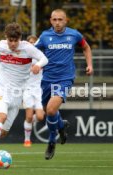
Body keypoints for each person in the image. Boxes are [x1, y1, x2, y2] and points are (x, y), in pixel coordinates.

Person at [0, 22, 48, 163]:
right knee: (1, 117)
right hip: (1, 88)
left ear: (20, 38)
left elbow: (45, 58)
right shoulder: (2, 44)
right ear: (6, 37)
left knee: (2, 132)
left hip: (17, 94)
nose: (13, 44)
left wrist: (38, 65)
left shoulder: (27, 48)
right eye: (10, 40)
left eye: (16, 40)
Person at [35, 9, 93, 160]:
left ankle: (51, 141)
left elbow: (86, 47)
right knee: (48, 112)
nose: (57, 23)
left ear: (66, 20)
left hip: (64, 79)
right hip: (46, 79)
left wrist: (89, 65)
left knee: (51, 109)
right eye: (54, 20)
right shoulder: (45, 36)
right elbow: (32, 52)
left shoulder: (74, 35)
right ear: (50, 21)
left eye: (60, 20)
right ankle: (61, 126)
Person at [22, 35, 45, 147]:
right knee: (29, 116)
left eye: (33, 42)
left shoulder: (41, 58)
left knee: (40, 117)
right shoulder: (24, 57)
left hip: (38, 90)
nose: (32, 44)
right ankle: (27, 140)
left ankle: (28, 123)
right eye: (29, 42)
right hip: (27, 90)